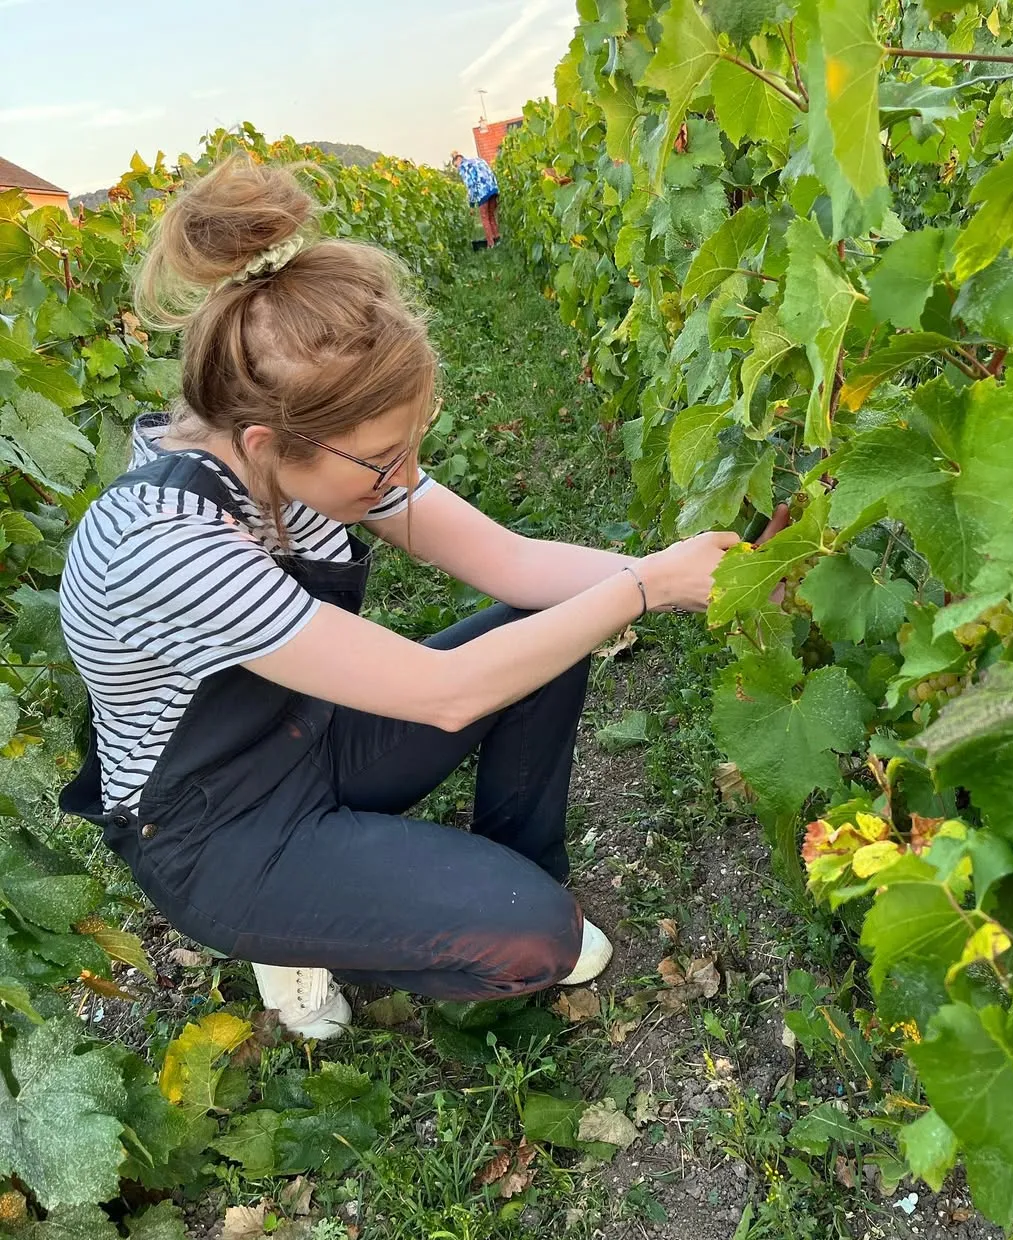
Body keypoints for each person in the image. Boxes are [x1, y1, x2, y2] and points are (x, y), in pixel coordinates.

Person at [58, 154, 787, 1040]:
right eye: (382, 462)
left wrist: (683, 573)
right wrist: (645, 587)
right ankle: (297, 931)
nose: (404, 481)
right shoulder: (161, 545)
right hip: (211, 832)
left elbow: (515, 565)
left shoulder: (297, 446)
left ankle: (507, 876)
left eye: (411, 447)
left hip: (307, 734)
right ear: (266, 444)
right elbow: (449, 696)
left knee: (539, 636)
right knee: (540, 944)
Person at [452, 149, 499, 247]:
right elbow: (491, 172)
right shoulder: (479, 160)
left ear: (458, 160)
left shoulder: (464, 167)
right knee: (491, 215)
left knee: (484, 217)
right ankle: (497, 239)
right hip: (493, 188)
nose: (457, 169)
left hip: (482, 192)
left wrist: (472, 205)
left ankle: (491, 244)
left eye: (456, 166)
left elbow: (471, 186)